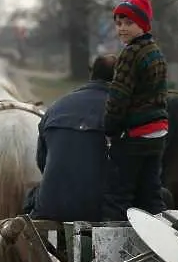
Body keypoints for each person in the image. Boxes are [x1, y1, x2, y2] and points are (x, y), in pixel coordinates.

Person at [101, 0, 169, 222]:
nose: (122, 29)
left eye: (128, 23)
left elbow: (119, 97)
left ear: (143, 24)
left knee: (117, 197)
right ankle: (161, 244)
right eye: (118, 23)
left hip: (135, 136)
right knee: (151, 194)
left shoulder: (130, 53)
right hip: (158, 133)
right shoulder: (155, 51)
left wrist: (109, 128)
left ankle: (113, 254)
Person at [25, 56, 118, 222]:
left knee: (30, 197)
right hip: (100, 210)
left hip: (50, 205)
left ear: (91, 73)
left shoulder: (57, 106)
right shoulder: (123, 109)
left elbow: (42, 161)